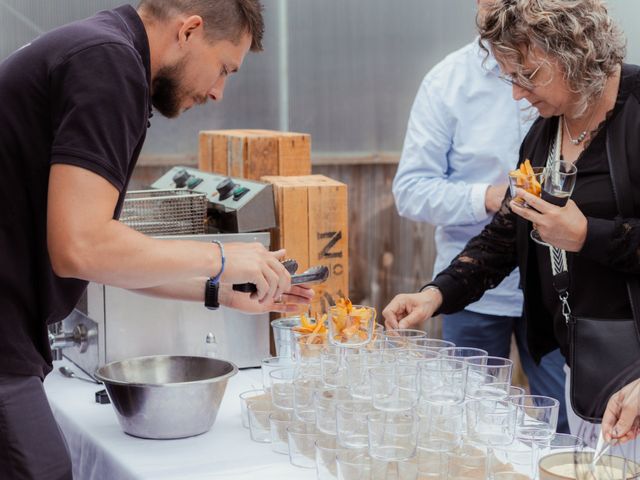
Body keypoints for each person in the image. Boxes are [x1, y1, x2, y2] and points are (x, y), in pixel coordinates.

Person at [0, 1, 313, 478]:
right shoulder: (109, 64)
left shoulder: (101, 51)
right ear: (189, 30)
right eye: (224, 68)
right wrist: (222, 257)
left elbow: (100, 255)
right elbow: (80, 248)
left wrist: (219, 292)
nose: (218, 92)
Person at [384, 0, 639, 441]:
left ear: (573, 51)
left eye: (528, 75)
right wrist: (435, 294)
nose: (517, 93)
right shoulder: (544, 133)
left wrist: (587, 236)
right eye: (510, 77)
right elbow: (507, 235)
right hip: (585, 366)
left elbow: (587, 236)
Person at [393, 0, 568, 432]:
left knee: (567, 422)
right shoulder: (446, 82)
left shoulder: (564, 68)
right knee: (471, 425)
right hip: (472, 291)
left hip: (556, 289)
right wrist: (491, 197)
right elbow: (410, 192)